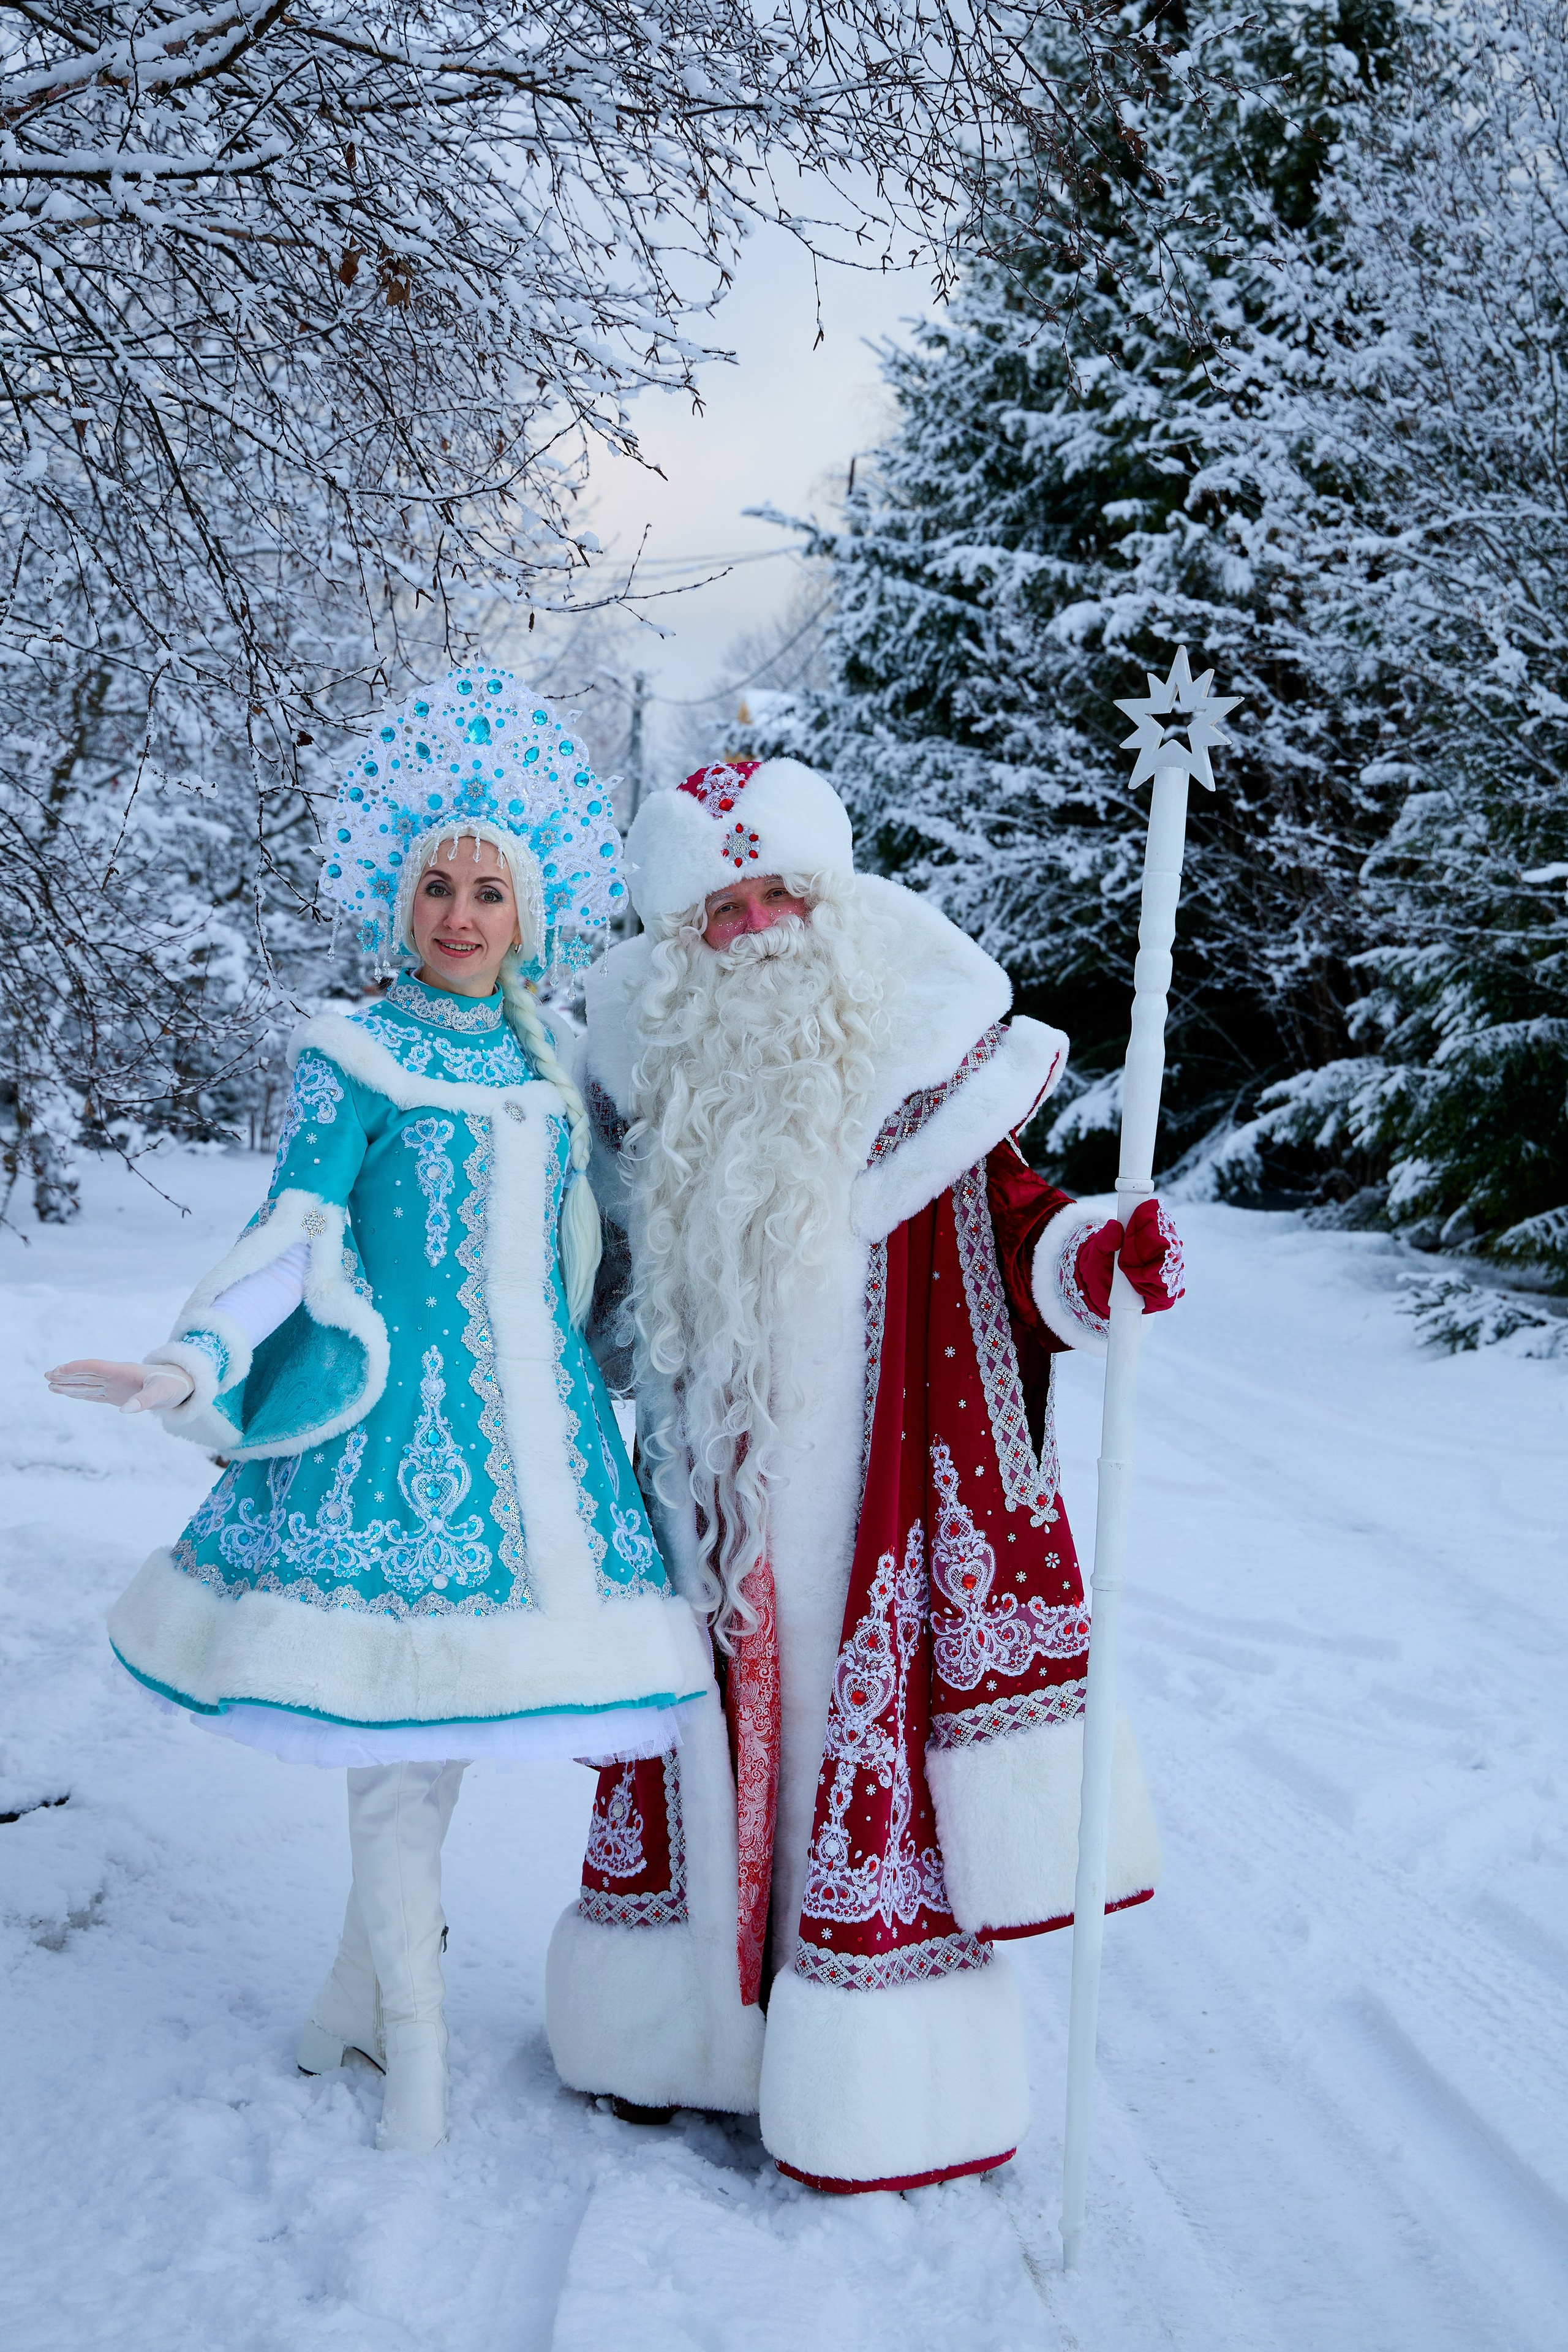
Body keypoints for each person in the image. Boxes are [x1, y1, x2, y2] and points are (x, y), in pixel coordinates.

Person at [47, 672, 706, 2153]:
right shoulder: (352, 1050)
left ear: (527, 913)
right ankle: (411, 2045)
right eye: (434, 886)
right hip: (394, 1457)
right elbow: (294, 1228)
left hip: (544, 1465)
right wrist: (195, 1360)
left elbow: (599, 1251)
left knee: (438, 1744)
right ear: (396, 900)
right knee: (395, 1750)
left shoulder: (551, 1066)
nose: (458, 914)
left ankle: (351, 1996)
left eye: (487, 890)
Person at [546, 756, 1184, 2192]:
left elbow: (1025, 1229)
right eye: (723, 906)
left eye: (782, 892)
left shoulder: (919, 1073)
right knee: (703, 1758)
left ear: (827, 904)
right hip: (699, 1519)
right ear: (679, 938)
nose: (758, 925)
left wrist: (1098, 1258)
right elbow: (581, 1288)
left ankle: (874, 2081)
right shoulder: (642, 1101)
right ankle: (681, 2041)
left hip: (868, 1516)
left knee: (851, 1755)